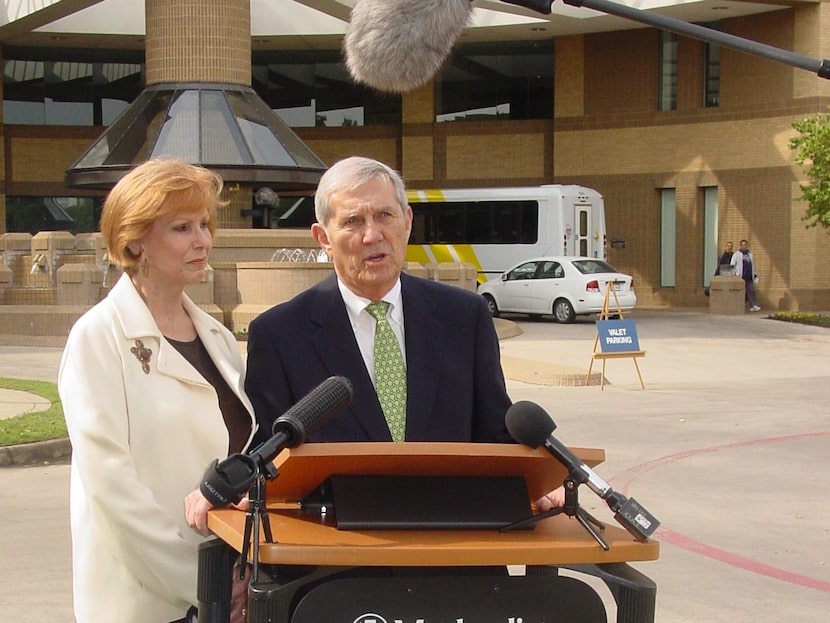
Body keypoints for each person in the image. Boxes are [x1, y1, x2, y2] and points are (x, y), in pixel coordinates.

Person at [245, 155, 564, 511]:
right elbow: (270, 460)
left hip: (455, 546)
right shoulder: (279, 335)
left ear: (407, 221)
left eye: (385, 215)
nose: (373, 235)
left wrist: (538, 482)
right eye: (353, 221)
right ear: (323, 238)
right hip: (338, 555)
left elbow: (494, 434)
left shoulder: (464, 317)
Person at [58, 159, 256, 623]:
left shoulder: (220, 340)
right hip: (142, 604)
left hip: (223, 595)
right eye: (182, 227)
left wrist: (241, 575)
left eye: (205, 224)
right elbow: (112, 490)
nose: (202, 239)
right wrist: (202, 585)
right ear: (133, 240)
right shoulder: (97, 338)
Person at [730, 239, 761, 311]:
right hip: (741, 276)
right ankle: (736, 305)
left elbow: (753, 265)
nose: (744, 246)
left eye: (745, 245)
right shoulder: (737, 254)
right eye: (742, 245)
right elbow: (732, 264)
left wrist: (755, 274)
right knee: (739, 292)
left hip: (749, 276)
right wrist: (734, 274)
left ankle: (754, 305)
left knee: (751, 291)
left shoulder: (750, 254)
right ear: (740, 245)